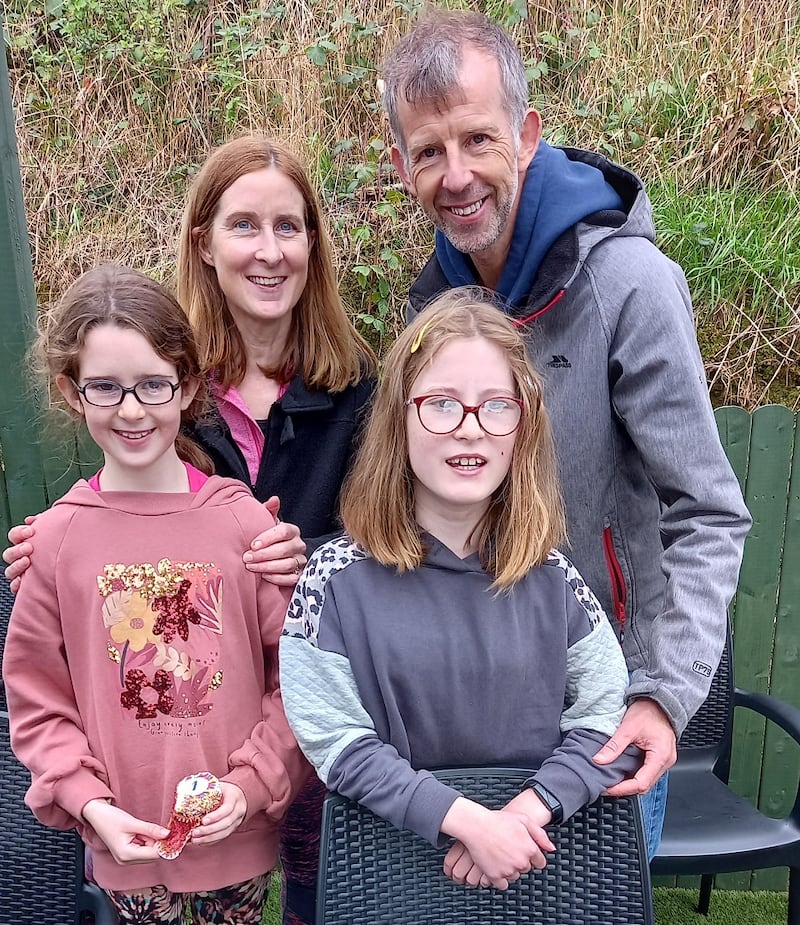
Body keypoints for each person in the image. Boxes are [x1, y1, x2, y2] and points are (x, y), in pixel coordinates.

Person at [381, 10, 751, 858]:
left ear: (526, 135)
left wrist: (661, 693)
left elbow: (710, 511)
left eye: (478, 139)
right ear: (401, 165)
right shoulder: (429, 311)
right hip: (466, 710)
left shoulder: (631, 285)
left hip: (603, 714)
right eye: (429, 151)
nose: (456, 175)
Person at [3, 135, 377, 925]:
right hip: (151, 800)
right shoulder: (162, 369)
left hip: (324, 727)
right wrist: (62, 540)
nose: (268, 250)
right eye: (244, 225)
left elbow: (397, 541)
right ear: (204, 241)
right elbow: (111, 544)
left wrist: (312, 558)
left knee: (323, 901)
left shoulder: (360, 390)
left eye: (288, 225)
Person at [280, 290, 642, 891]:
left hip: (537, 863)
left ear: (523, 426)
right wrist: (468, 823)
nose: (470, 429)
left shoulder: (553, 579)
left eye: (496, 406)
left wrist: (522, 816)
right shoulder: (333, 581)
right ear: (399, 418)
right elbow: (334, 738)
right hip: (391, 874)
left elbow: (608, 718)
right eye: (442, 404)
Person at [2, 265, 307, 925]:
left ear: (188, 386)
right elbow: (37, 700)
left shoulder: (242, 524)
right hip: (124, 843)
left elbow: (298, 678)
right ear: (72, 392)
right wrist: (89, 802)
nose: (132, 409)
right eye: (106, 387)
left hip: (237, 839)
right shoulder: (56, 540)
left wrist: (251, 782)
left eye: (152, 384)